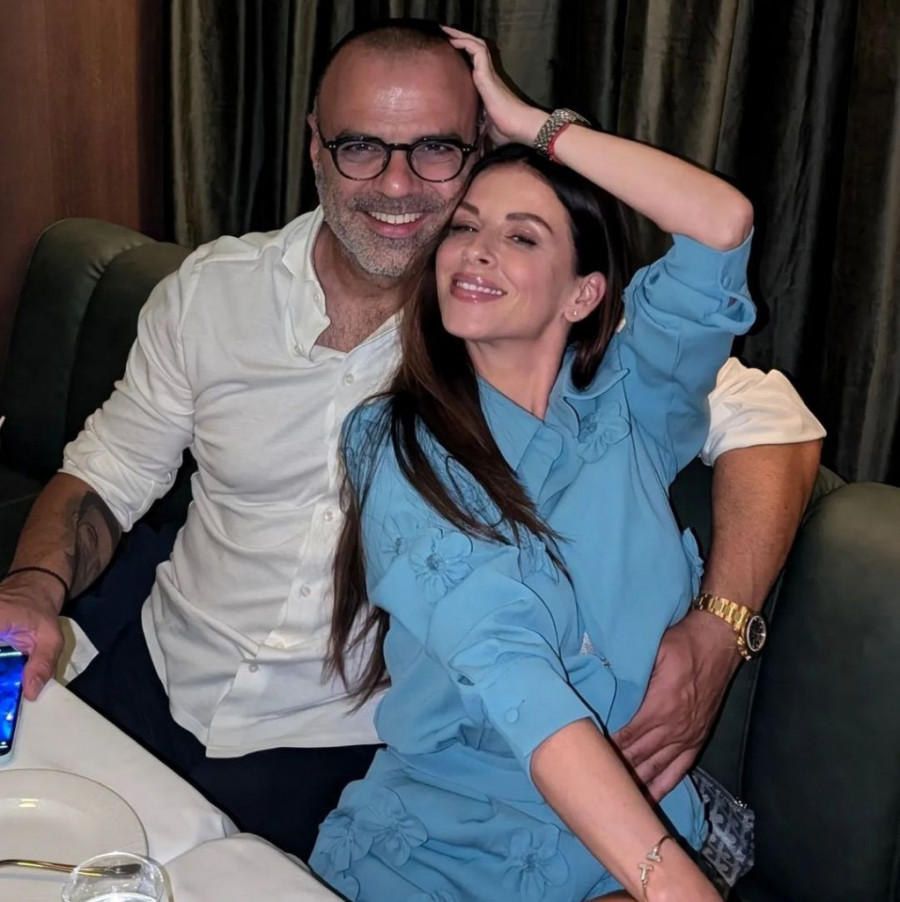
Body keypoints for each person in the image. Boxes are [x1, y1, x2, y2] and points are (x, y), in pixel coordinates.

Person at [0, 20, 822, 860]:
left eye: (435, 149)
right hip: (154, 673)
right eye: (361, 146)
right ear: (315, 146)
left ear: (477, 153)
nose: (396, 184)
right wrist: (31, 587)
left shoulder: (531, 338)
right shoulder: (211, 294)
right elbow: (108, 474)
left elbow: (774, 423)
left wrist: (720, 630)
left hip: (336, 756)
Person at [310, 29, 754, 901]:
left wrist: (531, 127)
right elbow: (515, 673)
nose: (476, 251)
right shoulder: (394, 443)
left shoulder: (638, 403)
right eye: (465, 228)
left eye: (522, 238)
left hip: (630, 834)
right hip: (448, 853)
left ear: (583, 293)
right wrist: (671, 883)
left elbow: (721, 224)